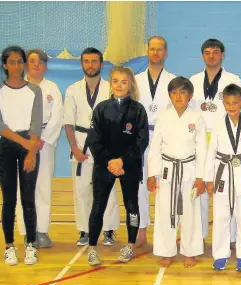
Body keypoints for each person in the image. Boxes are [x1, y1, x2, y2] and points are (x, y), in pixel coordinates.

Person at [86, 66, 149, 266]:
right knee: (98, 206)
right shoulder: (101, 109)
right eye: (115, 81)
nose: (120, 85)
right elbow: (94, 140)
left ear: (130, 84)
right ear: (110, 84)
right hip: (104, 166)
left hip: (129, 166)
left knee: (132, 206)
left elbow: (141, 141)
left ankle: (130, 245)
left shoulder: (138, 110)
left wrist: (123, 161)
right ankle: (92, 248)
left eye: (124, 81)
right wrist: (109, 162)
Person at [0, 45, 43, 265]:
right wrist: (26, 144)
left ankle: (31, 244)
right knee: (9, 199)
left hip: (29, 146)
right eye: (12, 62)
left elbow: (36, 123)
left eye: (20, 61)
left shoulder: (34, 90)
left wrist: (31, 151)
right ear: (4, 65)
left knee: (28, 199)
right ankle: (9, 245)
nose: (17, 66)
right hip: (5, 147)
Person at [190, 39, 241, 244]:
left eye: (215, 52)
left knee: (227, 190)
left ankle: (230, 237)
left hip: (225, 142)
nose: (211, 56)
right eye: (207, 52)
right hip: (199, 141)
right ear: (202, 55)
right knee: (200, 187)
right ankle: (200, 235)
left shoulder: (234, 80)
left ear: (222, 54)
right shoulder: (194, 81)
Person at [147, 77, 207, 268]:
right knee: (165, 210)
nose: (178, 96)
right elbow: (155, 147)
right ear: (170, 96)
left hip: (189, 169)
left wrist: (201, 177)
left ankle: (190, 252)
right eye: (174, 92)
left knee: (190, 211)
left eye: (182, 92)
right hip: (167, 170)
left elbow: (202, 149)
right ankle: (167, 251)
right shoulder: (163, 117)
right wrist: (151, 174)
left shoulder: (196, 117)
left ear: (190, 95)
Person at [63, 47, 120, 246]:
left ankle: (109, 229)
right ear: (81, 64)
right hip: (81, 145)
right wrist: (75, 150)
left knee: (108, 189)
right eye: (86, 61)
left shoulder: (110, 89)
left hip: (105, 145)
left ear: (101, 64)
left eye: (94, 61)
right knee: (81, 190)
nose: (90, 65)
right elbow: (68, 124)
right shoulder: (72, 89)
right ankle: (85, 230)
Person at [204, 84, 241, 272]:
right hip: (222, 173)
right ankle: (220, 254)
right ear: (223, 103)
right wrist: (209, 178)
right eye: (228, 103)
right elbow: (211, 152)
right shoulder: (218, 124)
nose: (232, 106)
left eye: (235, 103)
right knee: (220, 216)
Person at [16, 49, 63, 248]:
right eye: (32, 61)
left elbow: (57, 116)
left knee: (43, 186)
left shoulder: (52, 88)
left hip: (44, 143)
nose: (36, 65)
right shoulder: (15, 87)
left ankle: (42, 230)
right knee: (23, 186)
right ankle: (28, 232)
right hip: (22, 142)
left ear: (45, 66)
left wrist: (42, 139)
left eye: (40, 62)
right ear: (26, 64)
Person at [134, 36, 176, 248]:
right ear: (147, 51)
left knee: (163, 186)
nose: (156, 53)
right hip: (140, 138)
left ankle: (164, 233)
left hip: (164, 139)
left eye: (160, 49)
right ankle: (141, 230)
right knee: (140, 185)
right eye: (152, 49)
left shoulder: (174, 81)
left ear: (165, 53)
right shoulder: (136, 80)